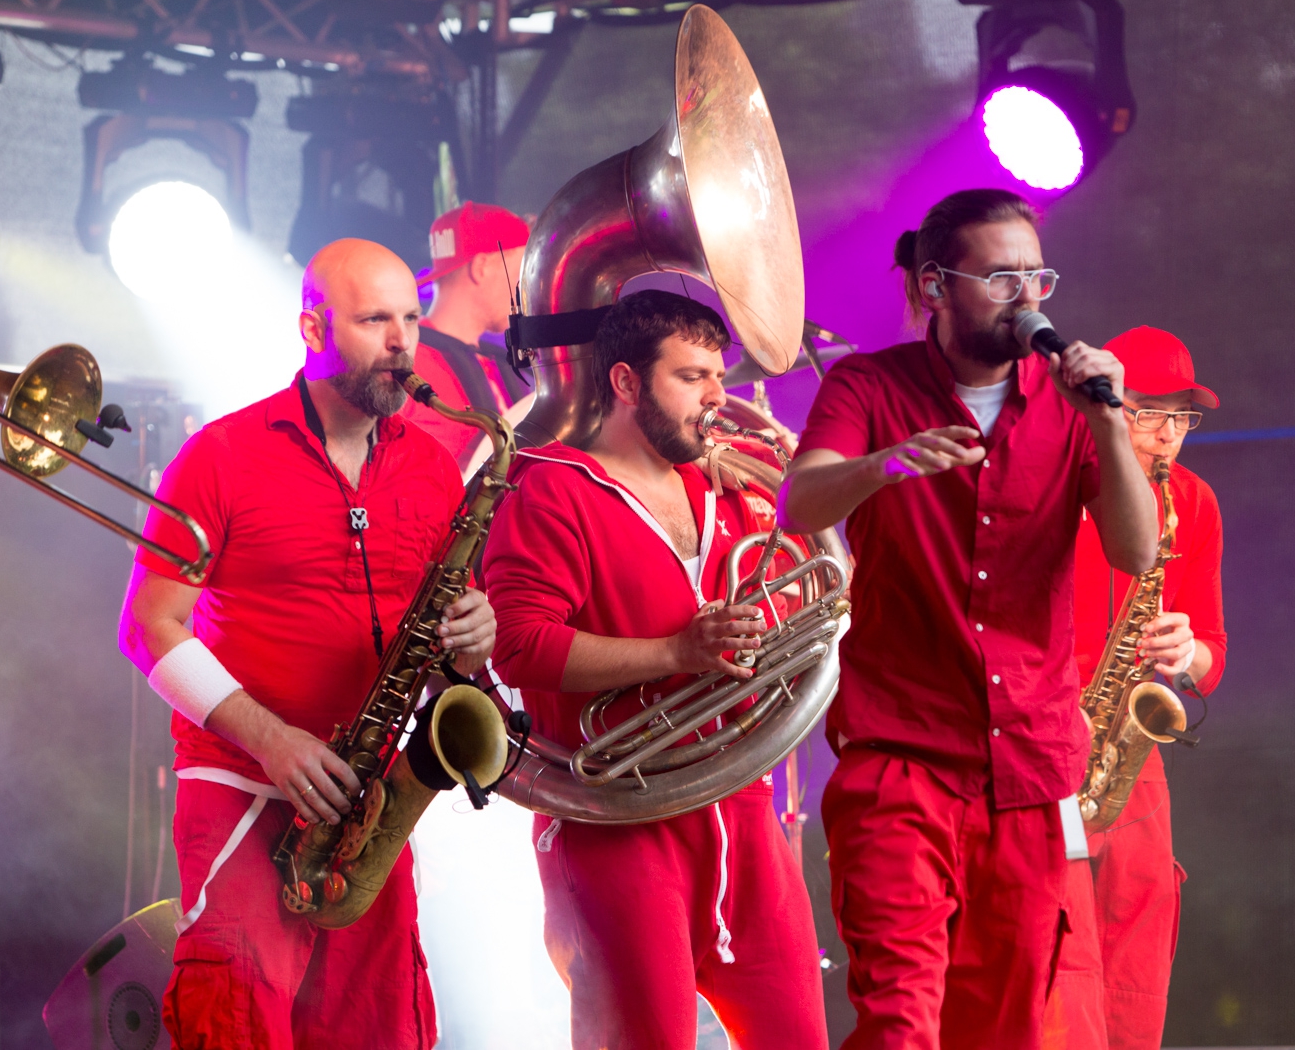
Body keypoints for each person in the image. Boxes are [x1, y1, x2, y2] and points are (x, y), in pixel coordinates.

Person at [778, 187, 1159, 1050]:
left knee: (1004, 1028)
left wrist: (1111, 423)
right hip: (900, 758)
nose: (1027, 298)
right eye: (1001, 278)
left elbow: (1136, 554)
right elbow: (799, 502)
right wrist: (884, 464)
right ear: (934, 286)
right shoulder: (868, 384)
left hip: (1026, 770)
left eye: (1037, 276)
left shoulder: (1071, 401)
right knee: (901, 1018)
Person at [117, 238, 497, 1049]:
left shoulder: (435, 470)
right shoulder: (220, 455)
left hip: (362, 802)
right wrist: (273, 740)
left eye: (411, 319)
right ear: (311, 326)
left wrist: (471, 640)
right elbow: (150, 625)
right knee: (237, 1023)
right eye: (373, 320)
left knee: (379, 1027)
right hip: (242, 787)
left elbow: (433, 650)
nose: (403, 342)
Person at [482, 288, 827, 1050]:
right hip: (620, 822)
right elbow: (520, 646)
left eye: (719, 376)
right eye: (692, 376)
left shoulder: (729, 487)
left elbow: (807, 598)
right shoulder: (550, 489)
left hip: (742, 809)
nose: (717, 399)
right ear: (627, 383)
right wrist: (679, 652)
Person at [1044, 325, 1227, 1050]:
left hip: (1127, 743)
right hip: (1048, 734)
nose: (1169, 436)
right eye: (1151, 413)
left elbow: (1214, 652)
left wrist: (1188, 653)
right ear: (1108, 404)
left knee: (1143, 926)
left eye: (1184, 418)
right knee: (1066, 951)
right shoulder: (1057, 479)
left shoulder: (1195, 501)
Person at [409, 201, 535, 474]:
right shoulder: (401, 362)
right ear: (482, 267)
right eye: (519, 274)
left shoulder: (500, 359)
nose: (525, 290)